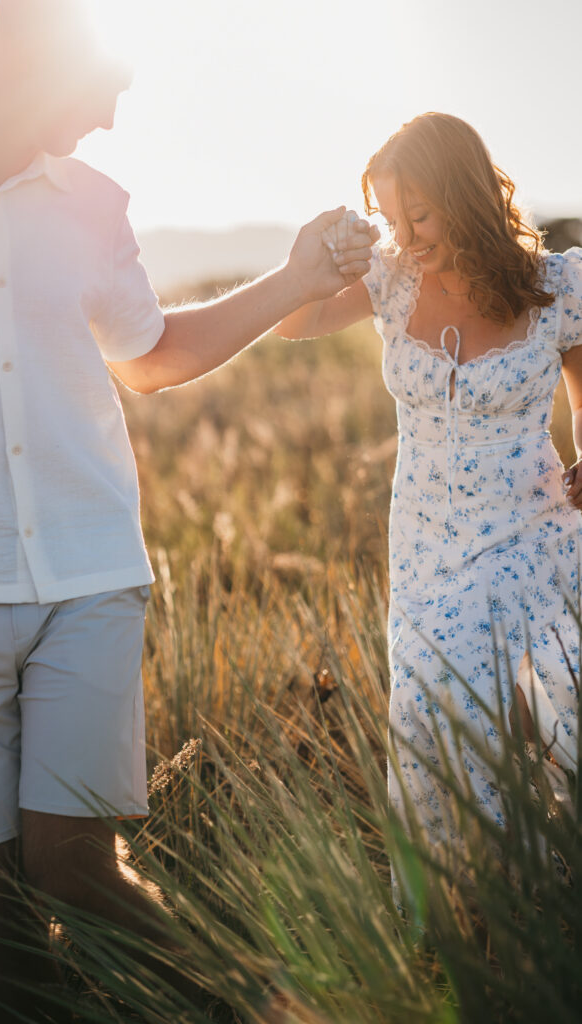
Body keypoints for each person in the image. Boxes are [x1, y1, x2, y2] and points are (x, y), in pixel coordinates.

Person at [0, 1, 376, 1020]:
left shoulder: (93, 205)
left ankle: (265, 1009)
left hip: (88, 580)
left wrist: (293, 277)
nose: (112, 119)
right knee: (4, 929)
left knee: (73, 862)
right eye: (104, 87)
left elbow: (151, 357)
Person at [278, 112, 582, 896]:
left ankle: (554, 891)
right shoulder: (390, 278)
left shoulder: (558, 287)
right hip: (426, 552)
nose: (404, 234)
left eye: (419, 214)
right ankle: (476, 915)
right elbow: (297, 319)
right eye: (389, 216)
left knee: (566, 714)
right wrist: (312, 252)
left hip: (535, 533)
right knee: (435, 734)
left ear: (467, 194)